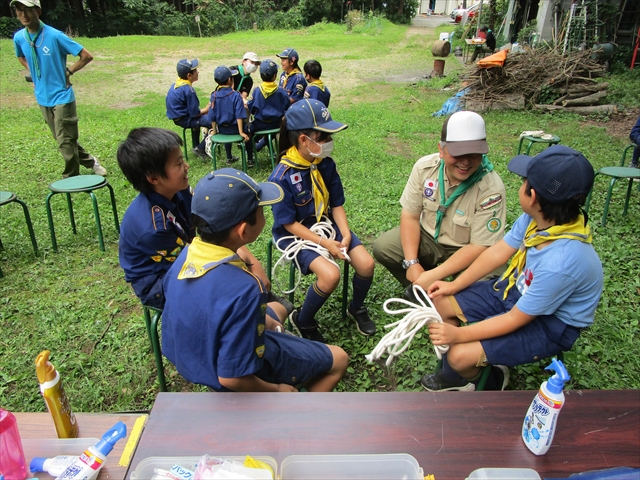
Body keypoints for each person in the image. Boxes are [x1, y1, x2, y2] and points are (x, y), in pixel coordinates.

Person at [423, 145, 603, 392]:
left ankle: (491, 381)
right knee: (440, 302)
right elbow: (499, 251)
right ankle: (456, 375)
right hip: (518, 288)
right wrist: (454, 284)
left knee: (458, 355)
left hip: (549, 323)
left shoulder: (561, 263)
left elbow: (515, 318)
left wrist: (458, 337)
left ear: (532, 195)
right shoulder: (540, 219)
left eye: (523, 181)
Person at [161, 168, 349, 392]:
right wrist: (277, 391)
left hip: (196, 357)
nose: (265, 213)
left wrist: (268, 324)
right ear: (243, 230)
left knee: (278, 310)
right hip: (233, 374)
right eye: (261, 210)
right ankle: (297, 417)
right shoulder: (246, 289)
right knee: (339, 359)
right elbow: (232, 378)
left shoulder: (186, 254)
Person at [117, 128, 290, 325]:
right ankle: (253, 322)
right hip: (161, 282)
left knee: (247, 280)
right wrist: (246, 271)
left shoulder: (178, 192)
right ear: (154, 178)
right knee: (239, 292)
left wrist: (250, 260)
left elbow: (214, 229)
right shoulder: (153, 228)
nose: (187, 166)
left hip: (189, 255)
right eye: (179, 163)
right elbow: (194, 263)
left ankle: (261, 310)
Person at [269, 99, 376, 342]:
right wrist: (324, 243)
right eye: (324, 136)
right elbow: (289, 224)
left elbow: (336, 203)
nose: (329, 142)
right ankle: (303, 319)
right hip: (296, 235)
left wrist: (345, 233)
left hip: (327, 225)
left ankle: (356, 307)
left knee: (366, 264)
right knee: (330, 275)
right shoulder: (281, 177)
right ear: (304, 140)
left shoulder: (324, 164)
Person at [372, 111, 507, 296]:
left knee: (492, 280)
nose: (466, 161)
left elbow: (479, 246)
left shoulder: (491, 188)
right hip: (429, 237)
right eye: (458, 153)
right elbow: (410, 215)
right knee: (385, 247)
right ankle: (424, 291)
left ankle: (446, 293)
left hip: (467, 247)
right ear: (441, 149)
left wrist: (435, 275)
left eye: (474, 154)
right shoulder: (424, 167)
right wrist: (412, 263)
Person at [12, 0, 106, 178]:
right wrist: (33, 70)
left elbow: (86, 56)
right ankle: (91, 162)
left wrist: (68, 72)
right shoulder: (19, 37)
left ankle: (70, 179)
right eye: (19, 10)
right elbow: (20, 56)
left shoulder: (55, 36)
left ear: (38, 11)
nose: (23, 14)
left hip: (62, 95)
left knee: (65, 140)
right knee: (64, 139)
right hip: (42, 96)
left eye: (27, 10)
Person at [208, 66, 254, 166]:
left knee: (226, 133)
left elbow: (212, 115)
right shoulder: (236, 95)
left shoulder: (214, 95)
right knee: (248, 135)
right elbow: (239, 115)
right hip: (236, 129)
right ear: (230, 80)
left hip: (222, 129)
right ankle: (250, 159)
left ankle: (229, 157)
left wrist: (215, 131)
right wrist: (241, 132)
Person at [166, 58, 211, 160]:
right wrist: (207, 109)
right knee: (213, 121)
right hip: (185, 119)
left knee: (201, 119)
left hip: (178, 118)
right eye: (195, 71)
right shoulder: (188, 90)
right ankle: (201, 148)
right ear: (189, 76)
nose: (197, 72)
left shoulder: (176, 84)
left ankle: (195, 146)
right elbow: (195, 113)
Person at [247, 59, 290, 153]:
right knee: (273, 130)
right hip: (277, 124)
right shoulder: (281, 91)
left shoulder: (257, 91)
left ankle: (250, 156)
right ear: (275, 76)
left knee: (248, 132)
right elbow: (287, 107)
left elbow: (251, 108)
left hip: (260, 124)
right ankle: (261, 145)